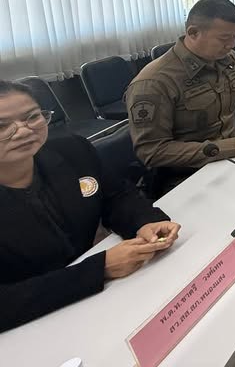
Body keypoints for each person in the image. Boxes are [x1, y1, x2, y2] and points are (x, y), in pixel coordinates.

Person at [0, 81, 180, 332]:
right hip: (31, 326)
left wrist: (145, 221)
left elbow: (116, 196)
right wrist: (98, 269)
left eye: (31, 117)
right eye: (2, 126)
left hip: (103, 303)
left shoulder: (73, 151)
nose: (23, 131)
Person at [126, 0, 235, 196]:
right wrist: (232, 147)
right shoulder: (155, 82)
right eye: (224, 39)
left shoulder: (228, 59)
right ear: (193, 32)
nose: (231, 45)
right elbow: (152, 151)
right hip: (188, 178)